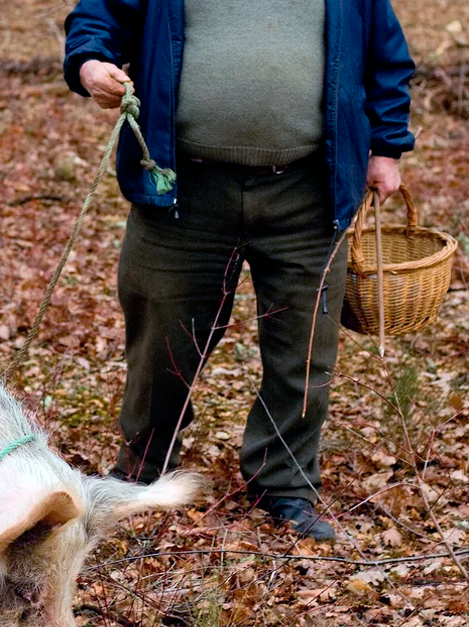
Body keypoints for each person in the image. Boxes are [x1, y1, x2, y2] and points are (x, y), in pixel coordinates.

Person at [64, 0, 416, 541]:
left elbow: (387, 59)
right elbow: (97, 17)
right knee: (163, 339)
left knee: (303, 349)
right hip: (182, 187)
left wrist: (386, 147)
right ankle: (141, 475)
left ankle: (285, 485)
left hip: (310, 191)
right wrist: (90, 66)